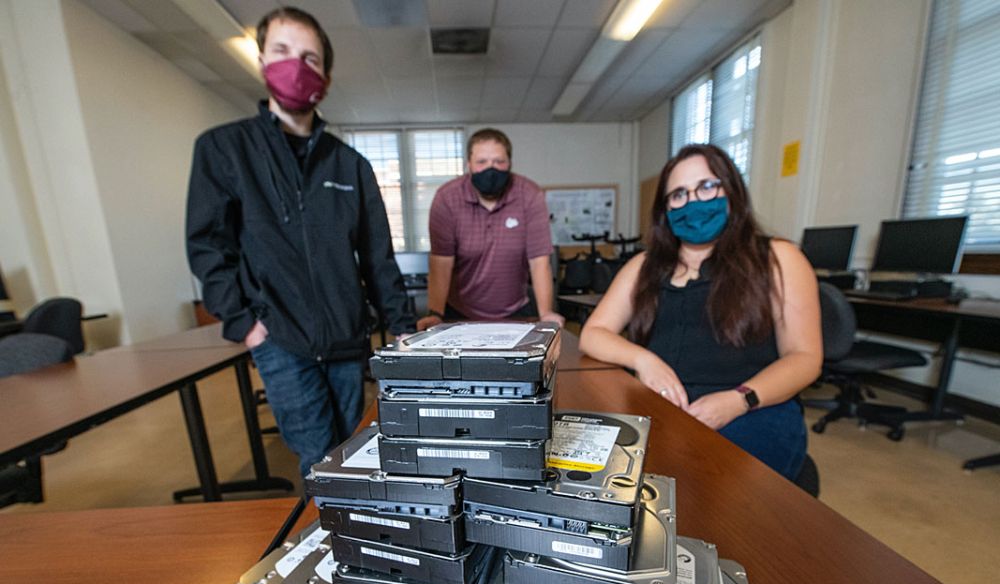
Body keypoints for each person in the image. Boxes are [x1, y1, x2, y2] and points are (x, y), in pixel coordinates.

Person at [186, 6, 414, 476]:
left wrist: (402, 327)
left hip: (348, 340)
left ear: (325, 76)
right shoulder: (225, 150)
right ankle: (329, 544)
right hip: (281, 338)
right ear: (262, 61)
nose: (296, 65)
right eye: (282, 51)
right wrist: (245, 323)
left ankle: (358, 539)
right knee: (318, 460)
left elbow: (377, 257)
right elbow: (209, 245)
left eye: (310, 57)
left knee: (355, 453)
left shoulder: (350, 166)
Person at [579, 144, 822, 481]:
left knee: (708, 490)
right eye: (678, 194)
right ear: (665, 209)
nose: (693, 202)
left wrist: (740, 399)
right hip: (664, 409)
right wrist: (644, 360)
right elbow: (594, 334)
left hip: (753, 407)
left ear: (731, 190)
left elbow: (805, 357)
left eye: (706, 187)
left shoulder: (777, 258)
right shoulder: (644, 266)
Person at [417, 129, 565, 330]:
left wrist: (546, 313)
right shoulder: (447, 198)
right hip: (459, 312)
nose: (490, 168)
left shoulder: (529, 194)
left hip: (516, 311)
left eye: (498, 161)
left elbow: (539, 261)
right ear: (468, 164)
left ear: (510, 163)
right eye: (482, 162)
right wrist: (435, 313)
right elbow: (441, 263)